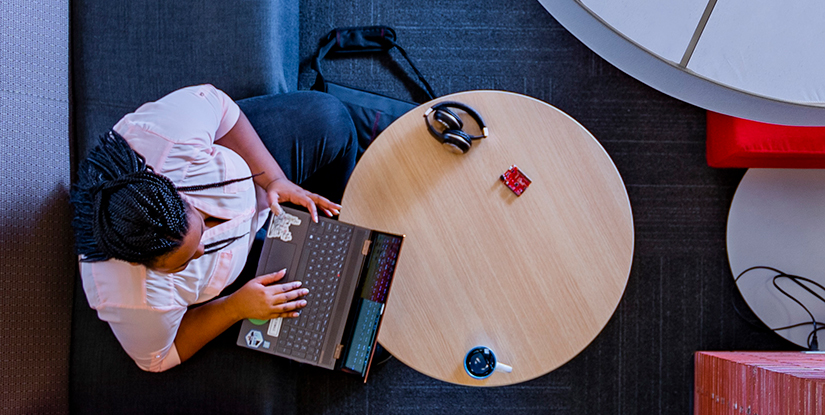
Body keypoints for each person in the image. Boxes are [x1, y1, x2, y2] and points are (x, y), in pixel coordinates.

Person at [71, 84, 357, 372]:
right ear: (140, 265)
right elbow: (159, 358)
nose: (203, 248)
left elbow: (219, 105)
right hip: (239, 281)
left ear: (174, 190)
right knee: (349, 331)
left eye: (199, 227)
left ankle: (339, 215)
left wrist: (274, 180)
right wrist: (234, 307)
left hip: (254, 177)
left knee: (333, 120)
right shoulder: (137, 302)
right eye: (185, 261)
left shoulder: (166, 139)